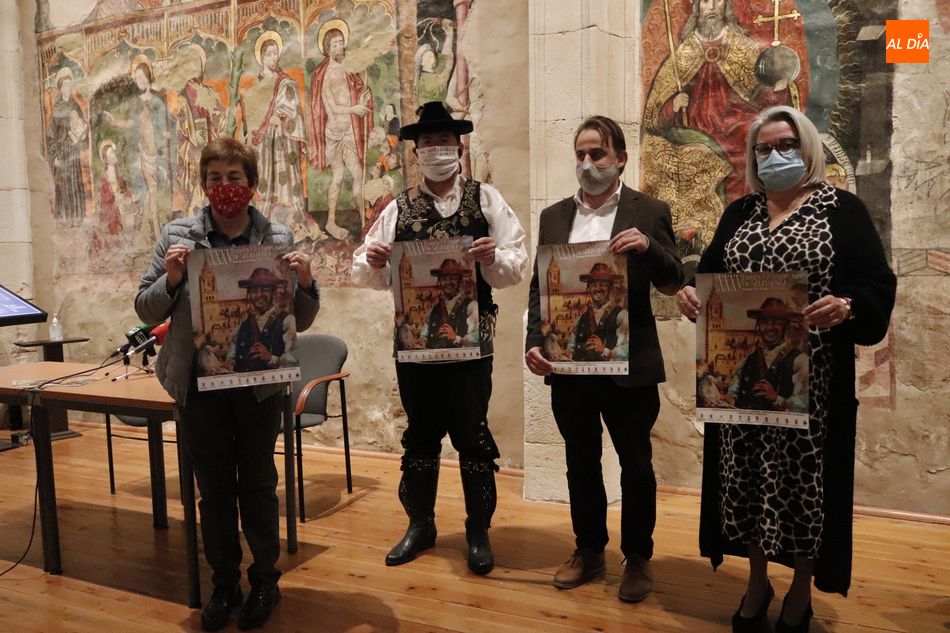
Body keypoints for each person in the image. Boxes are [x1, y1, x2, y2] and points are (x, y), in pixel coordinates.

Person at [676, 105, 896, 632]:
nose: (775, 156)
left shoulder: (841, 210)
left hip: (814, 384)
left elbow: (875, 284)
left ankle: (800, 587)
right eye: (764, 148)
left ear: (809, 148)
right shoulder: (738, 213)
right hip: (742, 385)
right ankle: (756, 579)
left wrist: (848, 306)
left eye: (786, 145)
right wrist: (690, 291)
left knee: (804, 489)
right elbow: (708, 273)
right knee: (746, 483)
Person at [135, 138, 320, 631]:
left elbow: (300, 317)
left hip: (260, 385)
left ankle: (264, 578)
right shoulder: (179, 235)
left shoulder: (276, 235)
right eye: (214, 177)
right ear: (203, 183)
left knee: (258, 484)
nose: (224, 187)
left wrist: (305, 284)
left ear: (252, 184)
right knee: (213, 488)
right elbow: (145, 307)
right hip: (200, 385)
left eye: (234, 178)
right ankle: (223, 582)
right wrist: (172, 278)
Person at [352, 101, 527, 575]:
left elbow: (516, 265)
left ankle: (478, 531)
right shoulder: (397, 208)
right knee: (420, 437)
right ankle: (420, 525)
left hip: (471, 348)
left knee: (472, 437)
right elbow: (362, 270)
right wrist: (371, 262)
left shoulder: (486, 200)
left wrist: (492, 258)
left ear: (459, 147)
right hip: (415, 347)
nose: (437, 149)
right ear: (416, 151)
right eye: (428, 142)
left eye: (444, 141)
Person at [525, 115, 683, 603]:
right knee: (580, 461)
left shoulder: (648, 209)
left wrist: (649, 247)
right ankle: (589, 549)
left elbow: (674, 279)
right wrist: (534, 339)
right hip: (570, 366)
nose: (588, 163)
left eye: (597, 154)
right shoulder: (553, 216)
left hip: (629, 367)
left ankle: (637, 557)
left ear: (620, 159)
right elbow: (540, 287)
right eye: (581, 155)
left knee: (636, 464)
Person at [642, 0, 791, 201]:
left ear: (726, 7)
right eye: (705, 1)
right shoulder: (683, 56)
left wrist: (777, 89)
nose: (711, 7)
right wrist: (673, 106)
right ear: (697, 9)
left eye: (717, 0)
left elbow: (762, 98)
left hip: (738, 127)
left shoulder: (742, 47)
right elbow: (654, 117)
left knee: (751, 138)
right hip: (696, 130)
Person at [308, 18, 373, 240]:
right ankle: (331, 221)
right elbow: (333, 108)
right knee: (337, 176)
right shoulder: (325, 74)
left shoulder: (349, 70)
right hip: (335, 132)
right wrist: (354, 108)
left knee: (357, 174)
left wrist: (364, 96)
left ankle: (366, 222)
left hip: (350, 131)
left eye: (341, 42)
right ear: (327, 48)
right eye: (334, 44)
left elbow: (357, 92)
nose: (339, 47)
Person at [241, 31, 311, 239]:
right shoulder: (255, 87)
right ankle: (265, 221)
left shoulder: (285, 81)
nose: (273, 58)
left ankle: (290, 221)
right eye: (269, 54)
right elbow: (251, 117)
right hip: (263, 143)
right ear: (261, 57)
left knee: (285, 179)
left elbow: (292, 106)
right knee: (263, 178)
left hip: (283, 140)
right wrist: (261, 121)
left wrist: (280, 116)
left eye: (275, 53)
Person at [728, 298, 808, 412]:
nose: (770, 328)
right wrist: (728, 399)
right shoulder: (748, 361)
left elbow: (804, 402)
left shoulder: (800, 361)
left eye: (776, 323)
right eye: (765, 322)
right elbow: (733, 392)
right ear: (759, 325)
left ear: (785, 326)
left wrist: (776, 399)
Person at [228, 267, 297, 372]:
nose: (259, 295)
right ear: (249, 294)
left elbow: (293, 361)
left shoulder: (287, 321)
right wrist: (228, 365)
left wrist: (270, 358)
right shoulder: (242, 327)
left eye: (265, 290)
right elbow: (231, 356)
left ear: (273, 292)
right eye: (254, 291)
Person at [46, 67, 88, 223]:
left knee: (76, 183)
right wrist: (55, 156)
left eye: (70, 85)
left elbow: (83, 127)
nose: (68, 88)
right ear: (60, 87)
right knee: (65, 186)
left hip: (74, 152)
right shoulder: (56, 109)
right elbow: (51, 136)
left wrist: (83, 137)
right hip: (63, 153)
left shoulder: (75, 106)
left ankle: (78, 216)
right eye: (65, 85)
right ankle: (67, 218)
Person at [566, 263, 629, 362]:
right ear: (588, 288)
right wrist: (568, 353)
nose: (598, 289)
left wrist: (604, 351)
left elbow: (626, 351)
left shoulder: (622, 316)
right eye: (593, 284)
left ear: (610, 288)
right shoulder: (581, 318)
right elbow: (571, 345)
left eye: (603, 284)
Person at [419, 258, 478, 349]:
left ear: (460, 281)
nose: (448, 282)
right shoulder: (434, 310)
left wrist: (456, 338)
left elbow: (477, 337)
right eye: (443, 279)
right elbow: (425, 332)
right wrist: (422, 341)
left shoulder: (471, 306)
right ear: (439, 281)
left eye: (452, 278)